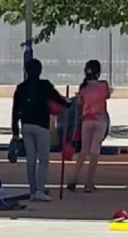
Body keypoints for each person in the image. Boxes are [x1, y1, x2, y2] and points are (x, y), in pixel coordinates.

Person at [12, 58, 69, 202]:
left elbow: (15, 111)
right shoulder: (45, 85)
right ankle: (39, 189)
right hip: (41, 126)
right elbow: (59, 100)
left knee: (30, 159)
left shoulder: (21, 87)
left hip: (26, 125)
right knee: (43, 159)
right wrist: (68, 103)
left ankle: (33, 190)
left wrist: (15, 132)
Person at [69, 60, 112, 193]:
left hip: (87, 120)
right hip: (101, 120)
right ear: (98, 73)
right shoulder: (103, 85)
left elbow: (79, 103)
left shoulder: (83, 87)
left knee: (83, 151)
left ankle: (73, 180)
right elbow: (108, 95)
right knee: (94, 152)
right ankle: (89, 183)